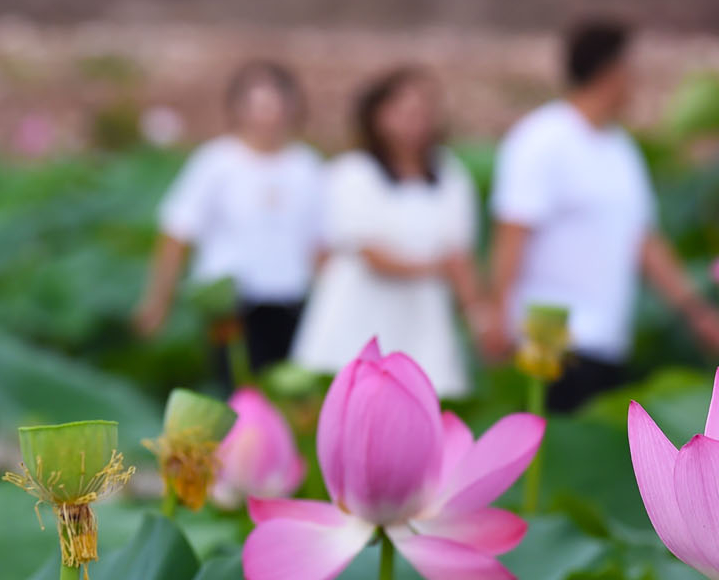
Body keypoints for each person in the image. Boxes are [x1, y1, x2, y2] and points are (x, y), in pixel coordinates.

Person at [487, 20, 719, 412]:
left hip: (606, 333)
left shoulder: (621, 149)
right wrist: (497, 314)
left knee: (594, 434)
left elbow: (644, 240)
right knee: (546, 444)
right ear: (611, 72)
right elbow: (512, 232)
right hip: (544, 328)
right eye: (630, 70)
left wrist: (694, 310)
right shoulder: (541, 138)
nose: (636, 82)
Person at [292, 67, 487, 398]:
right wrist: (437, 269)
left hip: (423, 316)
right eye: (404, 111)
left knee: (427, 401)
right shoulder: (351, 173)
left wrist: (479, 316)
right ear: (377, 116)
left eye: (424, 112)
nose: (416, 122)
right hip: (359, 314)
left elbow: (461, 255)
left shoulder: (451, 175)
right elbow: (372, 256)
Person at [133, 61, 324, 380]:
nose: (268, 116)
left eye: (276, 105)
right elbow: (177, 233)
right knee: (236, 387)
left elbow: (322, 243)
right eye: (258, 106)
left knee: (288, 394)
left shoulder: (307, 167)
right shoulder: (215, 163)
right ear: (238, 109)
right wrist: (157, 301)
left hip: (291, 300)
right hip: (230, 305)